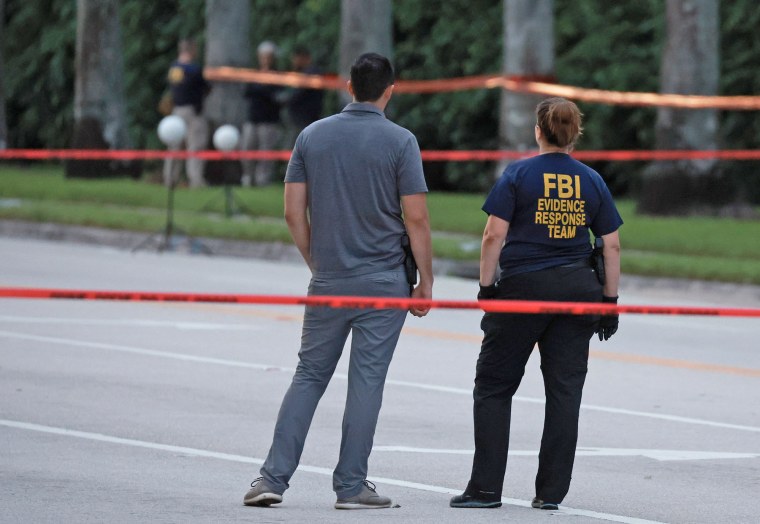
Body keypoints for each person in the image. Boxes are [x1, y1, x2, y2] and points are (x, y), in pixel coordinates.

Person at [243, 52, 434, 510]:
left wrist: (317, 262)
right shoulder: (401, 142)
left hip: (329, 280)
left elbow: (293, 212)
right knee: (367, 382)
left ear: (349, 87)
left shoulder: (311, 135)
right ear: (390, 90)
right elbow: (417, 217)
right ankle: (350, 486)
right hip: (386, 281)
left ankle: (272, 478)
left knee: (309, 376)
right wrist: (425, 282)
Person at [450, 97, 622, 511]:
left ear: (538, 132)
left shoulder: (518, 175)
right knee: (565, 393)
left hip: (523, 291)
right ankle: (550, 494)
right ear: (574, 134)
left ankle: (486, 489)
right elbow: (611, 244)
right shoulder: (591, 180)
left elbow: (493, 235)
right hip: (578, 291)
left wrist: (487, 289)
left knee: (493, 386)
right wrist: (610, 302)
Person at [163, 38, 210, 188]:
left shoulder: (174, 68)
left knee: (175, 145)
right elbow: (204, 87)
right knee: (195, 145)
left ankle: (170, 178)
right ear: (191, 50)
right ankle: (195, 180)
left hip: (177, 110)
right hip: (193, 111)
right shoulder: (194, 69)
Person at [240, 41, 283, 187]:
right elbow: (247, 92)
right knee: (247, 148)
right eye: (262, 56)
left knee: (266, 152)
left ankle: (262, 179)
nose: (265, 59)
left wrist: (262, 90)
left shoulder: (278, 75)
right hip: (253, 118)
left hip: (269, 119)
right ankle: (248, 177)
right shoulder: (254, 74)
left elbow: (275, 96)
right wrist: (262, 90)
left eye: (268, 56)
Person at [281, 46, 324, 148]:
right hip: (299, 119)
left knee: (297, 148)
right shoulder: (302, 74)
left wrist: (285, 99)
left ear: (304, 58)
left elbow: (297, 94)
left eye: (296, 58)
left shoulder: (312, 72)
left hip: (305, 119)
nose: (293, 62)